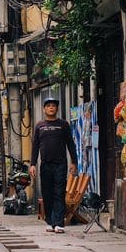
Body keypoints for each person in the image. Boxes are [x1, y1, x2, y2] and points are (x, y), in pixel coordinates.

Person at [30, 97, 77, 234]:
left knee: (59, 193)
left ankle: (59, 223)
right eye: (48, 105)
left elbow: (70, 144)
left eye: (54, 106)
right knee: (47, 194)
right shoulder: (39, 126)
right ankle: (50, 221)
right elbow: (35, 147)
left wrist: (74, 162)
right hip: (45, 165)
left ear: (56, 109)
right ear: (44, 109)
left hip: (60, 165)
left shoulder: (63, 125)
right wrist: (33, 164)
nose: (51, 107)